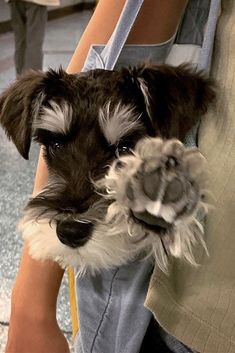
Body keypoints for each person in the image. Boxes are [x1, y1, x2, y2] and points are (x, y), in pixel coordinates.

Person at [5, 0, 235, 352]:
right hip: (179, 306)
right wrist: (32, 303)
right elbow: (127, 19)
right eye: (54, 143)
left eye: (121, 153)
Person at [7, 0, 60, 76]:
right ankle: (31, 82)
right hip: (36, 2)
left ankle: (19, 81)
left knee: (20, 42)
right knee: (34, 42)